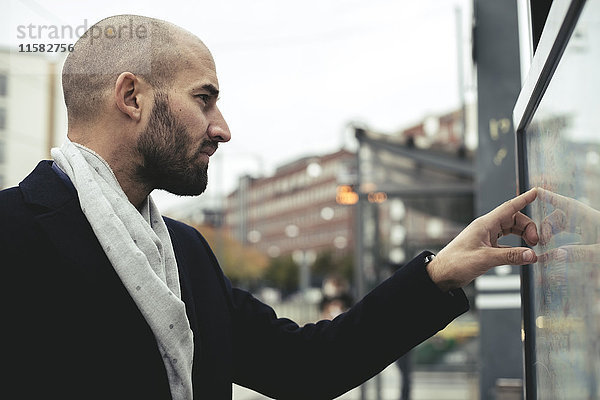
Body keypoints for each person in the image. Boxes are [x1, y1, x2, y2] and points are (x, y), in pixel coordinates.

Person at [1, 15, 540, 400]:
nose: (223, 128)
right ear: (132, 97)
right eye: (203, 98)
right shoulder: (12, 236)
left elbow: (308, 367)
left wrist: (440, 272)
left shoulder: (187, 253)